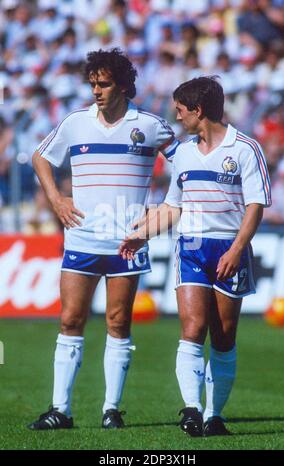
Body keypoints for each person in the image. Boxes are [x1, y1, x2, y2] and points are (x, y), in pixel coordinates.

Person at [27, 48, 179, 430]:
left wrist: (162, 211)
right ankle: (60, 410)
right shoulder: (75, 122)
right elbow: (40, 158)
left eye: (104, 83)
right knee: (70, 318)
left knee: (118, 320)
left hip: (127, 241)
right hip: (82, 238)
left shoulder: (151, 125)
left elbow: (185, 166)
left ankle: (112, 409)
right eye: (93, 83)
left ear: (124, 85)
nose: (96, 90)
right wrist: (56, 198)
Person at [119, 76, 272, 437]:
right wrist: (142, 235)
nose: (177, 116)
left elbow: (255, 207)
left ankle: (214, 415)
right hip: (191, 246)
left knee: (224, 336)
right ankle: (191, 409)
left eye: (180, 110)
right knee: (192, 328)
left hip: (229, 248)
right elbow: (174, 206)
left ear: (198, 111)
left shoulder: (246, 149)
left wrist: (236, 250)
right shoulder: (184, 152)